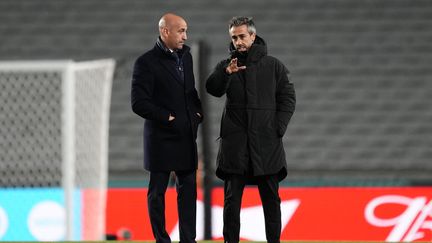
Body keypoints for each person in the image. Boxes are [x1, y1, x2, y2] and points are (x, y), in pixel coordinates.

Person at [206, 16, 296, 243]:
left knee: (271, 201)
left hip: (266, 144)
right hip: (235, 146)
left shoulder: (274, 66)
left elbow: (287, 98)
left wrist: (277, 128)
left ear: (253, 36)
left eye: (242, 36)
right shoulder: (227, 65)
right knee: (231, 201)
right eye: (234, 37)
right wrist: (226, 73)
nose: (238, 41)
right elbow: (212, 89)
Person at [131, 13, 203, 243]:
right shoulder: (145, 62)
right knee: (157, 194)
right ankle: (162, 239)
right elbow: (138, 102)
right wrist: (167, 117)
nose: (185, 36)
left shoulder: (187, 57)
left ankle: (188, 240)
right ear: (165, 31)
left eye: (185, 31)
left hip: (185, 135)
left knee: (188, 191)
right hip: (161, 138)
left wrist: (197, 114)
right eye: (181, 31)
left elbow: (190, 92)